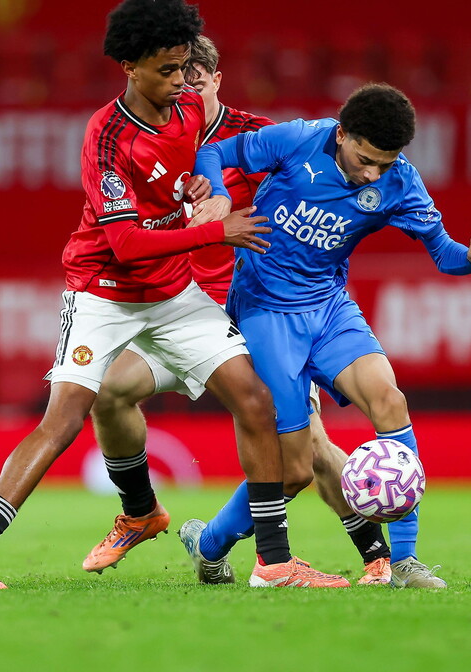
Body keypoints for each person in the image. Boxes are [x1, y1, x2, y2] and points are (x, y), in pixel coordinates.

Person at [0, 0, 344, 589]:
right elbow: (126, 244)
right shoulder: (106, 138)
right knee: (64, 419)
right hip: (103, 291)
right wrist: (218, 231)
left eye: (184, 67)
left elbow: (208, 161)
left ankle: (274, 563)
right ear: (129, 66)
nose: (181, 82)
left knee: (256, 401)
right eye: (167, 70)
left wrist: (206, 188)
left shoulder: (188, 111)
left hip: (174, 295)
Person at [82, 36, 394, 586]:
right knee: (108, 393)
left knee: (309, 449)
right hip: (185, 311)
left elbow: (320, 208)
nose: (184, 93)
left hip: (256, 314)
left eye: (195, 82)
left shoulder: (256, 137)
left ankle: (376, 556)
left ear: (217, 82)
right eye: (175, 80)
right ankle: (139, 512)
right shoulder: (150, 138)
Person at [184, 83, 471, 589]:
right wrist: (220, 195)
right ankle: (208, 544)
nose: (373, 174)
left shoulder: (399, 181)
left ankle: (404, 562)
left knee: (390, 400)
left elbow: (443, 253)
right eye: (365, 160)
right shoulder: (296, 139)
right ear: (342, 135)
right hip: (266, 312)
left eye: (385, 163)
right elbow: (213, 152)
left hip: (330, 308)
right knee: (295, 470)